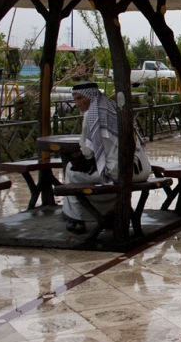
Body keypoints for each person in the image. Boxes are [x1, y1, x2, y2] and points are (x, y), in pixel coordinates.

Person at [63, 82, 151, 234]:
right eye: (75, 100)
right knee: (102, 172)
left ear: (90, 97)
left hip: (123, 173)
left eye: (79, 98)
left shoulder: (92, 114)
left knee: (71, 172)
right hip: (142, 170)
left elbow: (87, 152)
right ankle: (110, 214)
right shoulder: (114, 108)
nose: (77, 104)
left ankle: (77, 219)